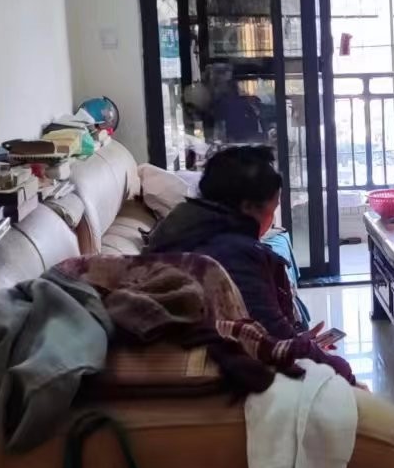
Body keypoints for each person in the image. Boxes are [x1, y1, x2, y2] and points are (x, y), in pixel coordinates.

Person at [146, 145, 356, 383]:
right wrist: (340, 370)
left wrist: (300, 340)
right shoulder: (235, 255)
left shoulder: (185, 231)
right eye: (273, 208)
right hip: (234, 376)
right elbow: (274, 339)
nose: (273, 219)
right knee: (344, 372)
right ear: (247, 207)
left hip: (211, 356)